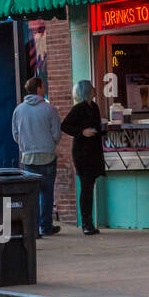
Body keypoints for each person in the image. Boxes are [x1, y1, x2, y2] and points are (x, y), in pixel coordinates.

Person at [12, 76, 62, 236]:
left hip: (28, 157)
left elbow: (15, 135)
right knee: (47, 193)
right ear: (39, 88)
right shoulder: (50, 109)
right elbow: (56, 134)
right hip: (47, 155)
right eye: (43, 86)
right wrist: (49, 143)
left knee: (31, 195)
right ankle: (45, 226)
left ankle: (32, 229)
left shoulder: (18, 110)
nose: (45, 88)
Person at [61, 80, 106, 235]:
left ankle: (89, 222)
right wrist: (82, 132)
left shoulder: (94, 107)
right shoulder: (78, 108)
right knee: (86, 187)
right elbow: (65, 125)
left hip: (94, 151)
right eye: (92, 87)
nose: (95, 89)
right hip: (82, 153)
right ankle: (86, 223)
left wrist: (103, 130)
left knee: (90, 185)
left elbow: (97, 127)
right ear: (87, 90)